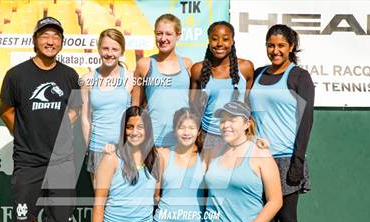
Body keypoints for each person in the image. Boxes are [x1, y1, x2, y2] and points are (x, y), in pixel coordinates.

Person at [0, 17, 81, 222]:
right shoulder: (16, 75)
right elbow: (7, 111)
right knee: (25, 216)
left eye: (56, 37)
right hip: (27, 160)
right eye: (45, 36)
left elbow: (75, 110)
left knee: (62, 217)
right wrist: (24, 135)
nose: (50, 41)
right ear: (35, 40)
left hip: (61, 161)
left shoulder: (69, 75)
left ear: (61, 42)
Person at [249, 24, 314, 222]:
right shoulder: (258, 74)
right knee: (266, 220)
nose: (275, 51)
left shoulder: (299, 76)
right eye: (270, 45)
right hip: (260, 161)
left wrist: (297, 161)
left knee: (287, 219)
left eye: (280, 46)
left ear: (290, 48)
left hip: (287, 159)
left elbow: (306, 120)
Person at [190, 21, 254, 149]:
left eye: (225, 39)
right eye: (214, 39)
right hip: (208, 138)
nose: (219, 44)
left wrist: (249, 134)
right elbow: (193, 108)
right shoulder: (198, 69)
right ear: (208, 41)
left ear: (232, 41)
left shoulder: (246, 67)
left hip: (238, 138)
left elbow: (248, 104)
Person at [80, 28, 132, 184]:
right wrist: (89, 148)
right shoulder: (87, 80)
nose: (110, 53)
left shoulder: (130, 78)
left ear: (122, 51)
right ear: (99, 49)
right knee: (100, 202)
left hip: (124, 150)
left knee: (121, 201)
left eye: (115, 49)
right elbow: (85, 118)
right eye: (105, 48)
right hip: (98, 149)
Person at [133, 13, 192, 147]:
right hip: (153, 140)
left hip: (183, 139)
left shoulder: (188, 64)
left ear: (178, 35)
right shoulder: (144, 65)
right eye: (159, 33)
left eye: (168, 34)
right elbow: (135, 106)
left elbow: (195, 104)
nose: (163, 38)